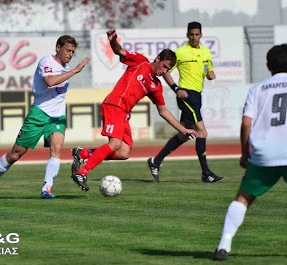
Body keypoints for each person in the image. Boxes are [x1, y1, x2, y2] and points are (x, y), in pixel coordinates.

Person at [70, 28, 198, 191]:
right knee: (115, 143)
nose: (164, 71)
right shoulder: (141, 61)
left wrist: (183, 129)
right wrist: (112, 41)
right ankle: (83, 172)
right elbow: (119, 51)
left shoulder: (156, 86)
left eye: (168, 70)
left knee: (124, 152)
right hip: (114, 105)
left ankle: (83, 154)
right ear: (158, 58)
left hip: (124, 114)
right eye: (164, 66)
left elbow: (163, 111)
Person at [0, 35, 90, 200]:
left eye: (73, 51)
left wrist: (71, 71)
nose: (70, 54)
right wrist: (75, 71)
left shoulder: (66, 68)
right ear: (58, 47)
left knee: (57, 147)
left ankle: (47, 189)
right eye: (68, 50)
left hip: (57, 117)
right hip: (39, 115)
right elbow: (50, 82)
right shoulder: (46, 62)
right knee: (15, 154)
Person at [214, 44, 287, 261]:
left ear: (268, 66)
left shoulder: (258, 88)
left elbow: (247, 123)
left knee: (243, 198)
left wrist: (245, 152)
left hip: (265, 153)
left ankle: (224, 245)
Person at [147, 21, 223, 183]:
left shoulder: (206, 52)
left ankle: (156, 161)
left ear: (201, 35)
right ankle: (206, 173)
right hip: (186, 96)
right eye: (191, 34)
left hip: (198, 96)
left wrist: (210, 74)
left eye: (197, 34)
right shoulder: (181, 53)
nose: (194, 37)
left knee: (183, 135)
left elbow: (208, 70)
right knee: (202, 132)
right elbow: (166, 71)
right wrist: (176, 88)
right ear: (187, 35)